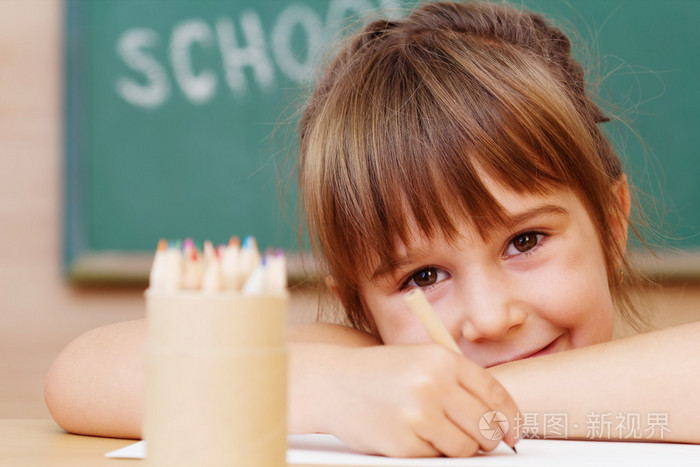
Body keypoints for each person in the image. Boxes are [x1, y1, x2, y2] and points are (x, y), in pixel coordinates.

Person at [44, 0, 700, 458]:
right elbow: (80, 372)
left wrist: (477, 401)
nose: (489, 318)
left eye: (525, 241)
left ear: (612, 223)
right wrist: (328, 389)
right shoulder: (372, 370)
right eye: (424, 276)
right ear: (362, 306)